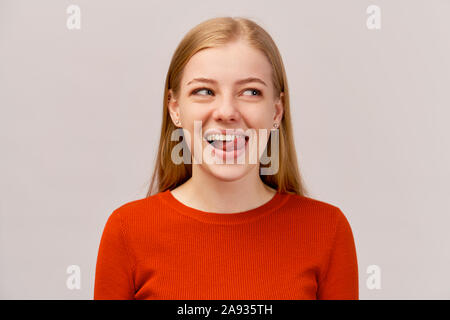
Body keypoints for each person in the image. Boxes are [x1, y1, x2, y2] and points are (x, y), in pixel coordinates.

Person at [94, 16, 358, 300]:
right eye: (204, 91)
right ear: (175, 108)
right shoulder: (127, 231)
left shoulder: (326, 230)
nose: (226, 111)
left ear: (277, 111)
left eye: (250, 92)